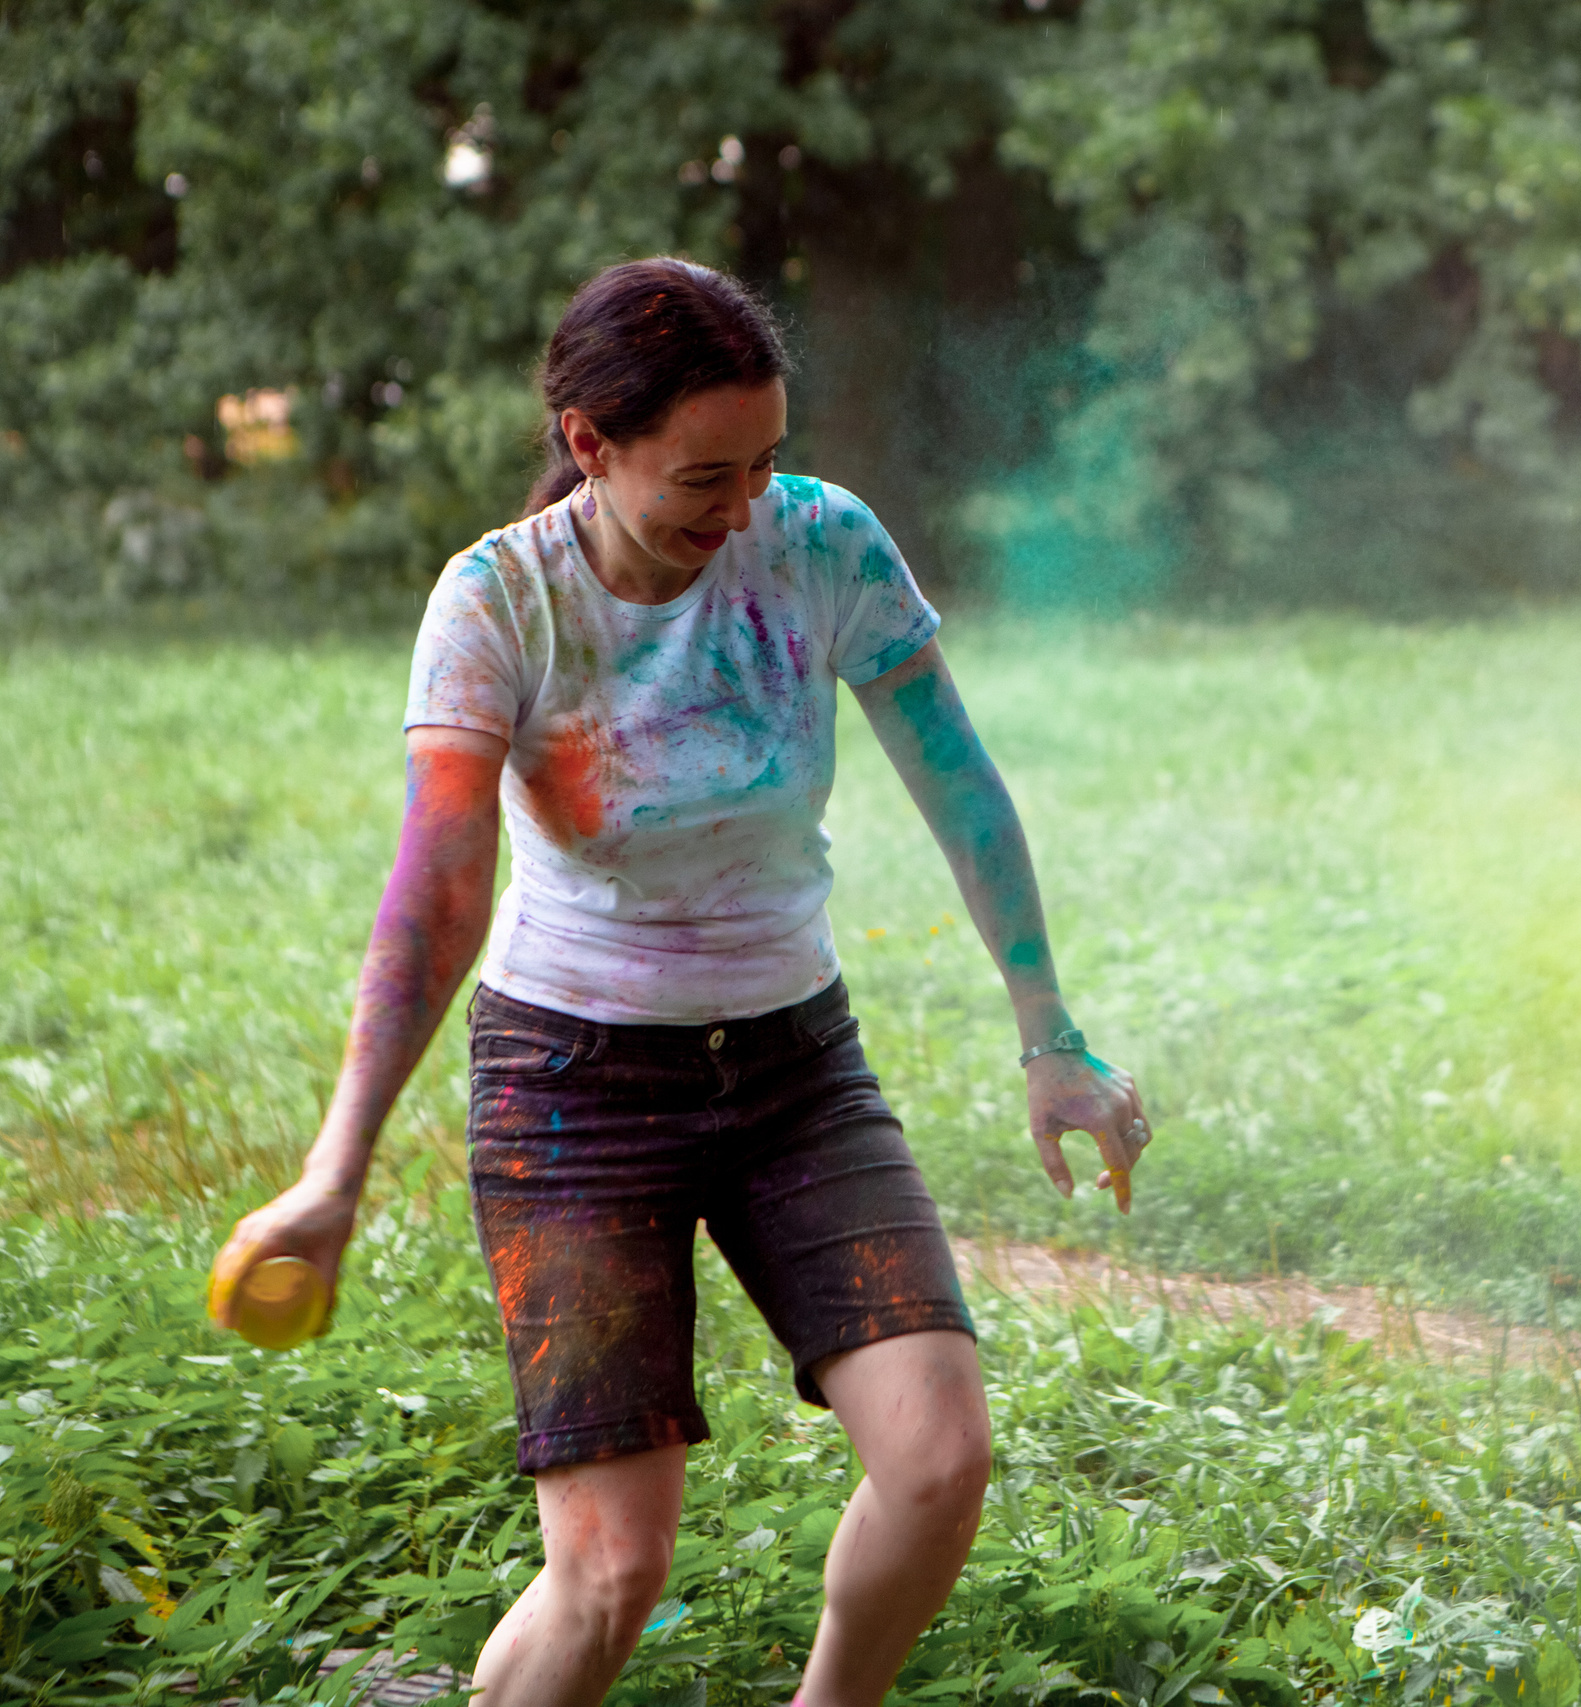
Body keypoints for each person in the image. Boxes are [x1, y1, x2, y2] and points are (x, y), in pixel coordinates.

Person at [208, 257, 1148, 1707]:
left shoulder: (822, 543)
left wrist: (1052, 1032)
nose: (744, 507)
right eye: (705, 475)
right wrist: (336, 1168)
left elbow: (961, 786)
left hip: (795, 1069)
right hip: (572, 1087)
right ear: (590, 441)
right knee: (608, 1574)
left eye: (766, 461)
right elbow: (437, 897)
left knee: (939, 1457)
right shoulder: (499, 603)